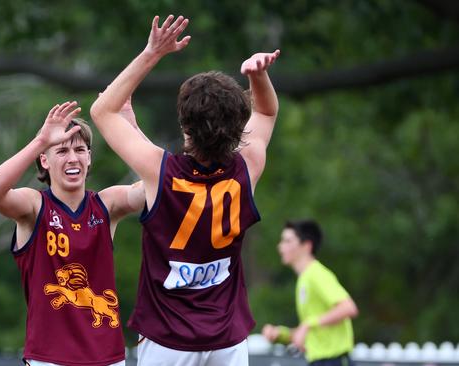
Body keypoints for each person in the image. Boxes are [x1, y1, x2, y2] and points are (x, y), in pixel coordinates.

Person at [90, 14, 280, 366]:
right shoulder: (246, 167)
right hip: (228, 340)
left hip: (168, 341)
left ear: (184, 126)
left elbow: (102, 110)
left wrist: (152, 52)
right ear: (239, 128)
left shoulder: (159, 171)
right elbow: (267, 113)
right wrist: (258, 75)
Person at [0, 99, 145, 366]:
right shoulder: (34, 206)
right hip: (50, 358)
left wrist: (131, 128)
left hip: (107, 357)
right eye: (61, 151)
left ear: (89, 158)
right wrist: (40, 141)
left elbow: (160, 184)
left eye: (80, 149)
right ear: (44, 160)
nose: (73, 158)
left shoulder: (107, 203)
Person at [262, 220, 359, 366]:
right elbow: (311, 330)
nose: (280, 246)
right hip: (320, 360)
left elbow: (348, 307)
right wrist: (280, 334)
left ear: (306, 246)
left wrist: (307, 324)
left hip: (334, 360)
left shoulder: (316, 274)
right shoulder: (304, 279)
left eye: (287, 241)